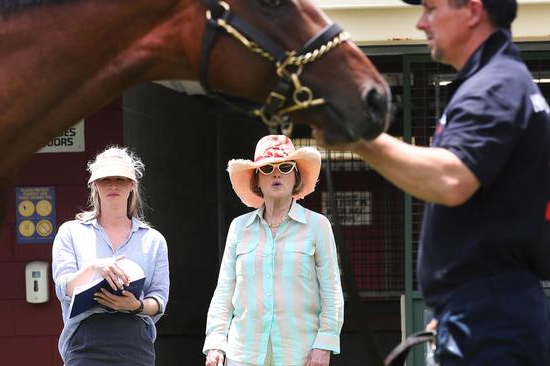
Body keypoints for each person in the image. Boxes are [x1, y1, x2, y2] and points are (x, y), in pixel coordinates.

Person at [349, 0, 550, 364]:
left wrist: (359, 138)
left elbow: (451, 178)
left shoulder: (494, 86)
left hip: (489, 316)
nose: (421, 22)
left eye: (431, 8)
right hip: (485, 310)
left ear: (473, 11)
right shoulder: (500, 80)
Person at [203, 135, 344, 366]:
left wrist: (324, 344)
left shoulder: (318, 225)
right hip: (242, 354)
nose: (276, 173)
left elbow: (332, 291)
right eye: (267, 168)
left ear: (296, 176)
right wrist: (216, 342)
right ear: (256, 179)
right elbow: (224, 290)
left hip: (300, 354)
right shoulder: (239, 227)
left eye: (285, 167)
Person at [52, 145, 170, 366]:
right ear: (94, 184)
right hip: (86, 340)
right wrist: (94, 268)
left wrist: (135, 306)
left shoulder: (154, 240)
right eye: (105, 179)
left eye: (121, 179)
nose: (113, 185)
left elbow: (159, 299)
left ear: (132, 185)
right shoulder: (71, 232)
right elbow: (63, 288)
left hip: (135, 339)